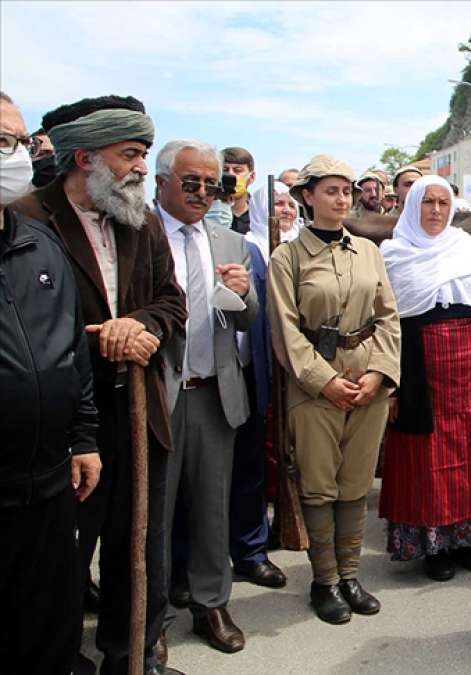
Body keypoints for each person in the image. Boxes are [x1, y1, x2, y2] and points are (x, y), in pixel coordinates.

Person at [11, 94, 187, 675]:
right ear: (83, 158)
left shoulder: (142, 219)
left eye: (143, 155)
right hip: (64, 417)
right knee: (64, 552)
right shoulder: (32, 220)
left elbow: (171, 302)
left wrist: (139, 328)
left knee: (137, 543)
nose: (141, 167)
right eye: (129, 154)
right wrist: (100, 337)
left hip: (139, 406)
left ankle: (133, 653)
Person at [267, 155, 401, 624]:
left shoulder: (368, 251)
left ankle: (350, 575)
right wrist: (325, 383)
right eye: (331, 190)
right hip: (315, 382)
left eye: (346, 190)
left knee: (356, 483)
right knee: (320, 487)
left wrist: (379, 375)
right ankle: (324, 581)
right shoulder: (287, 258)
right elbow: (285, 329)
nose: (342, 199)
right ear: (307, 197)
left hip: (367, 378)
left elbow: (387, 316)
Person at [0, 91, 101, 675]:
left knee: (50, 632)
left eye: (17, 141)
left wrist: (84, 437)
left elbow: (71, 354)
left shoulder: (42, 246)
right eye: (1, 141)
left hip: (49, 486)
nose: (14, 155)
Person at [154, 139, 258, 654]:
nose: (200, 192)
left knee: (213, 509)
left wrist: (243, 292)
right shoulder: (138, 234)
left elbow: (248, 318)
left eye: (209, 184)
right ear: (161, 183)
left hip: (215, 392)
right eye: (189, 182)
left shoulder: (229, 241)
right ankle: (149, 619)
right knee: (152, 512)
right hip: (156, 395)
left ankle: (211, 603)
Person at [379, 175, 471, 582]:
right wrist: (391, 385)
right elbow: (387, 324)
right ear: (412, 207)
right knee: (428, 459)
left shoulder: (467, 247)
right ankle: (434, 547)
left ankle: (466, 538)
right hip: (419, 366)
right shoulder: (393, 254)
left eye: (444, 203)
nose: (436, 211)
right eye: (428, 202)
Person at [231, 180, 297, 591]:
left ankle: (252, 548)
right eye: (277, 204)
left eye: (290, 203)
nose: (285, 211)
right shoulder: (246, 248)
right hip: (252, 366)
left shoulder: (305, 245)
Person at [222, 146, 255, 234]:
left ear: (252, 177)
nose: (230, 174)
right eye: (225, 170)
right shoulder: (208, 212)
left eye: (237, 170)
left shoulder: (259, 215)